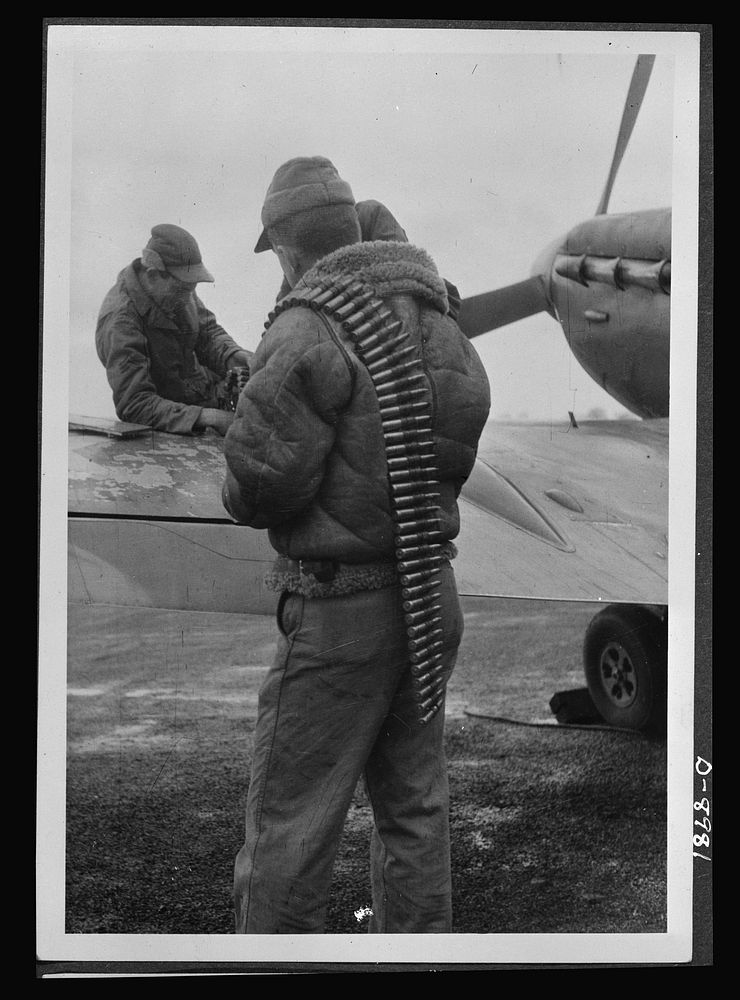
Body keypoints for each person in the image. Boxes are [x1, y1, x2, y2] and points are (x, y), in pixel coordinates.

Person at [222, 156, 491, 933]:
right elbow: (462, 426)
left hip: (343, 612)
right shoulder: (438, 319)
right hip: (429, 595)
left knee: (290, 829)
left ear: (285, 246)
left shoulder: (310, 324)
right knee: (415, 812)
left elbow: (259, 484)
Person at [95, 224, 253, 435]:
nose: (188, 298)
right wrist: (209, 417)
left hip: (205, 397)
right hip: (171, 427)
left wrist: (234, 355)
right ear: (152, 275)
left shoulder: (178, 290)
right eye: (183, 290)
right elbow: (134, 404)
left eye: (192, 290)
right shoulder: (121, 322)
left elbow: (207, 331)